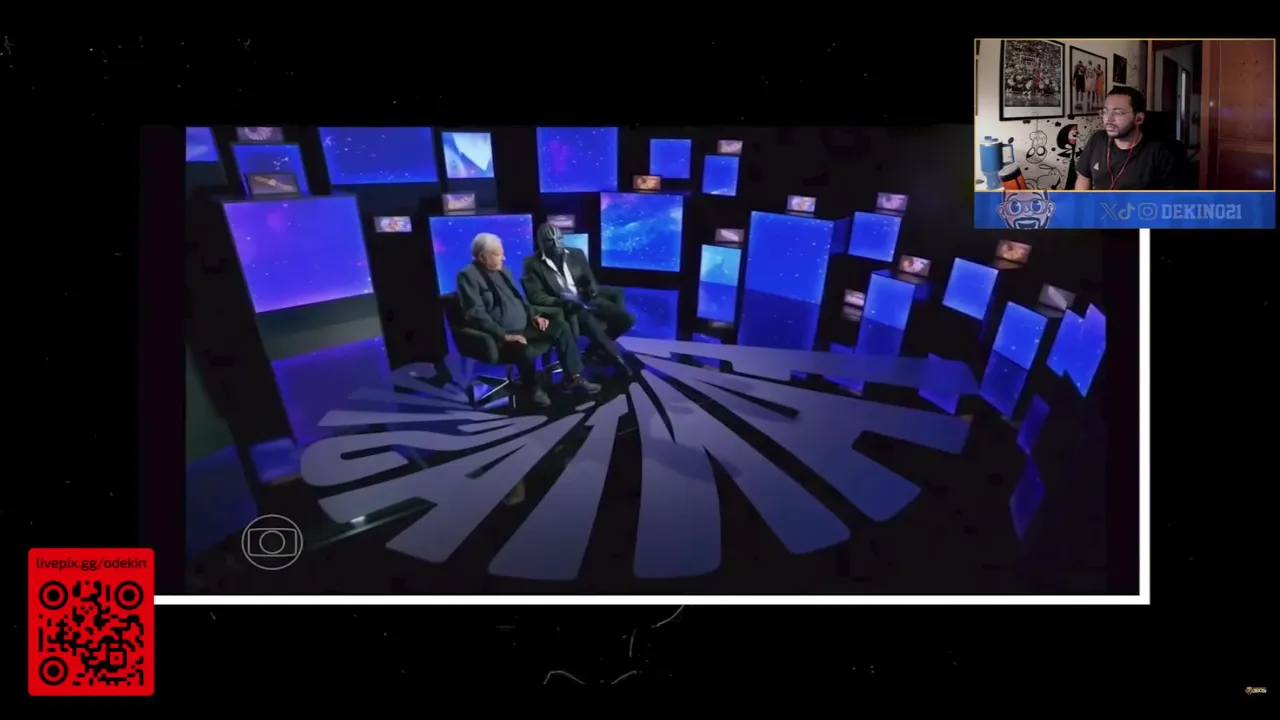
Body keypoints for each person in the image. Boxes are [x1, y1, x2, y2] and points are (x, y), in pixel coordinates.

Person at [456, 233, 601, 407]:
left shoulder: (502, 270)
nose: (503, 257)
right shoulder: (467, 276)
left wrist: (534, 316)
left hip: (524, 327)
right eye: (498, 254)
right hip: (501, 336)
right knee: (524, 350)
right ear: (482, 256)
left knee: (561, 327)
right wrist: (504, 335)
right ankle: (533, 390)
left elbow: (520, 299)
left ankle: (573, 379)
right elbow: (475, 314)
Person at [521, 223, 635, 379]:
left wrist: (591, 288)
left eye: (559, 239)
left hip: (587, 299)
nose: (556, 244)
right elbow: (536, 296)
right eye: (550, 240)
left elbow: (590, 280)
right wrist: (561, 302)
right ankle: (618, 360)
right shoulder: (531, 264)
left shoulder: (576, 254)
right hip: (565, 307)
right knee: (589, 321)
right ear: (540, 242)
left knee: (627, 319)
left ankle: (595, 349)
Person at [1074, 87, 1184, 191]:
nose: (1108, 119)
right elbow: (1083, 178)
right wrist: (1081, 203)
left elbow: (1170, 198)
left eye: (1118, 113)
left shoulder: (1160, 153)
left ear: (1138, 119)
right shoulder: (1097, 140)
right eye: (1105, 111)